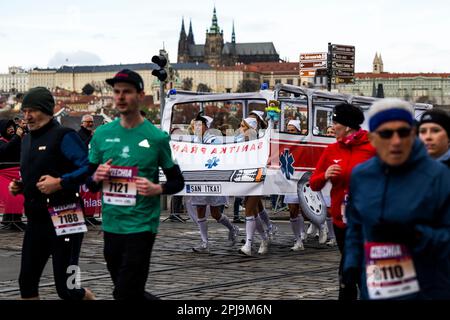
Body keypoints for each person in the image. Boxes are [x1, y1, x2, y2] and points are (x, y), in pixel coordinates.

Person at [87, 69, 185, 300]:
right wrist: (96, 177)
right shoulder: (101, 134)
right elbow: (89, 183)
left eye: (127, 92)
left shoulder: (156, 137)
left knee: (123, 292)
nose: (120, 97)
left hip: (142, 225)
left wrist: (157, 189)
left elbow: (177, 181)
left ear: (141, 95)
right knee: (131, 293)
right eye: (116, 92)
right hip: (112, 225)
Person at [343, 98, 450, 300]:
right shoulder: (361, 175)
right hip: (376, 289)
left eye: (403, 133)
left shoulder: (439, 176)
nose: (396, 141)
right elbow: (355, 227)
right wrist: (350, 264)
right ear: (373, 138)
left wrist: (415, 235)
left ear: (412, 135)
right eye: (386, 134)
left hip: (428, 288)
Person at [8, 87, 95, 300]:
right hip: (37, 217)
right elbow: (37, 171)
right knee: (26, 283)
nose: (26, 116)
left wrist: (61, 183)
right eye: (24, 110)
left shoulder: (64, 136)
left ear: (46, 110)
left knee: (67, 288)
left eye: (32, 110)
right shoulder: (27, 139)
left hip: (66, 213)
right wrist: (21, 185)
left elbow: (89, 168)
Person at [310, 103, 376, 300]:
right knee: (352, 266)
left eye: (335, 122)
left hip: (368, 220)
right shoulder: (331, 150)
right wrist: (325, 175)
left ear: (347, 126)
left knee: (353, 268)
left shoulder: (372, 147)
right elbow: (313, 183)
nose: (332, 126)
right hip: (342, 221)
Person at [190, 113, 239, 253]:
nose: (197, 127)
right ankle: (204, 242)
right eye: (195, 125)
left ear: (207, 127)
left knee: (215, 213)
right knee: (200, 208)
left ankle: (232, 228)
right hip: (198, 179)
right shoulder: (193, 141)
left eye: (200, 125)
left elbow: (219, 157)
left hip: (212, 178)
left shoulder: (214, 140)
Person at [237, 118, 271, 256]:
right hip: (243, 177)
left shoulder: (261, 142)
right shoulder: (239, 142)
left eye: (242, 126)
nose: (239, 128)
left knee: (250, 208)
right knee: (253, 210)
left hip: (257, 177)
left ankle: (248, 245)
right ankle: (264, 238)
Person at [0, 119, 25, 230]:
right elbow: (6, 149)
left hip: (17, 173)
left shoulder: (17, 139)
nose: (11, 129)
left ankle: (13, 219)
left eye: (12, 127)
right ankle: (11, 220)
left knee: (20, 196)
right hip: (4, 174)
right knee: (13, 196)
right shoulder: (1, 141)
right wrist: (17, 136)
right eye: (8, 127)